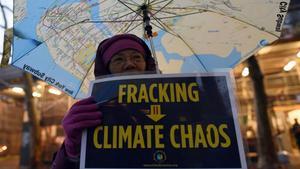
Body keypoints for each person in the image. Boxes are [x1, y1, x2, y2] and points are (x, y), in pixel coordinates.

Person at [51, 34, 157, 169]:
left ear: (147, 64)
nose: (130, 64)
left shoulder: (175, 101)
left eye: (137, 57)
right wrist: (72, 150)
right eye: (118, 59)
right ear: (107, 69)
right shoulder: (92, 110)